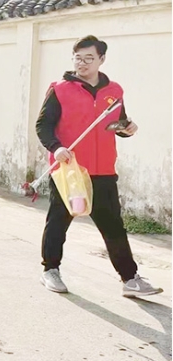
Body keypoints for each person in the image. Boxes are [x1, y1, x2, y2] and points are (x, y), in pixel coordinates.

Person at [36, 35, 162, 298]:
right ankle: (50, 270)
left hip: (103, 170)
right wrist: (56, 148)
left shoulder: (114, 91)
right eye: (78, 58)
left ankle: (130, 279)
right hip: (70, 170)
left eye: (89, 58)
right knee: (59, 221)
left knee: (113, 226)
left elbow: (116, 123)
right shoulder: (60, 89)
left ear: (101, 59)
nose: (82, 63)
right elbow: (43, 125)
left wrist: (127, 128)